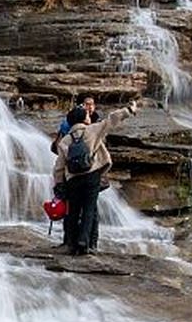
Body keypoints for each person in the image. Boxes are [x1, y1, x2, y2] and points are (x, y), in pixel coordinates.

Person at [51, 100, 136, 255]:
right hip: (92, 176)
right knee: (89, 209)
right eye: (87, 115)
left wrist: (58, 185)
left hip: (73, 179)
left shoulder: (65, 140)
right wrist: (129, 110)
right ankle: (84, 241)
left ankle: (71, 243)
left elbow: (58, 167)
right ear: (85, 119)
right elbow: (112, 119)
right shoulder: (93, 130)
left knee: (74, 211)